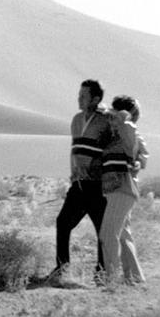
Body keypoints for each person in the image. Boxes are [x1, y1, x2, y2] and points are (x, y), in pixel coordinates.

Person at [50, 79, 112, 283]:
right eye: (79, 94)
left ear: (95, 99)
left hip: (97, 186)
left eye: (83, 95)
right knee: (63, 223)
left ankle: (102, 273)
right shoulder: (76, 120)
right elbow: (74, 150)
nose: (79, 98)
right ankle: (62, 268)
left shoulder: (107, 121)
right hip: (78, 184)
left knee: (102, 230)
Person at [98, 95, 147, 287]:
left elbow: (142, 156)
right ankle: (134, 277)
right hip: (115, 189)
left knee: (108, 234)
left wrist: (124, 117)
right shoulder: (115, 135)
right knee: (124, 234)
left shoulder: (129, 131)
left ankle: (110, 279)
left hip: (123, 188)